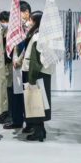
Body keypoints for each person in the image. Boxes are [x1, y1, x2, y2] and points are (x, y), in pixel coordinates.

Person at [22, 11, 51, 142]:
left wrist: (32, 78)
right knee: (41, 101)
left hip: (37, 73)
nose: (29, 22)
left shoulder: (37, 37)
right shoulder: (45, 35)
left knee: (36, 101)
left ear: (37, 22)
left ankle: (38, 132)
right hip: (43, 73)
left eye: (31, 20)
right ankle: (41, 130)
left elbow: (35, 60)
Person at [4, 0, 31, 131]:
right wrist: (15, 58)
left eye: (18, 13)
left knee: (26, 95)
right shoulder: (19, 27)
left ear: (26, 12)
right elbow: (16, 45)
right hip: (17, 64)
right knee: (16, 94)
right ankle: (17, 120)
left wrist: (19, 59)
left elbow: (28, 48)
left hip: (25, 65)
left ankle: (28, 122)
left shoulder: (30, 27)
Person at [0, 10, 11, 124]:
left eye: (4, 21)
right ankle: (4, 111)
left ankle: (9, 113)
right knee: (3, 89)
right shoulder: (3, 31)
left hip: (10, 63)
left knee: (9, 89)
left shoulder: (12, 32)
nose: (3, 23)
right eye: (1, 21)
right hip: (4, 63)